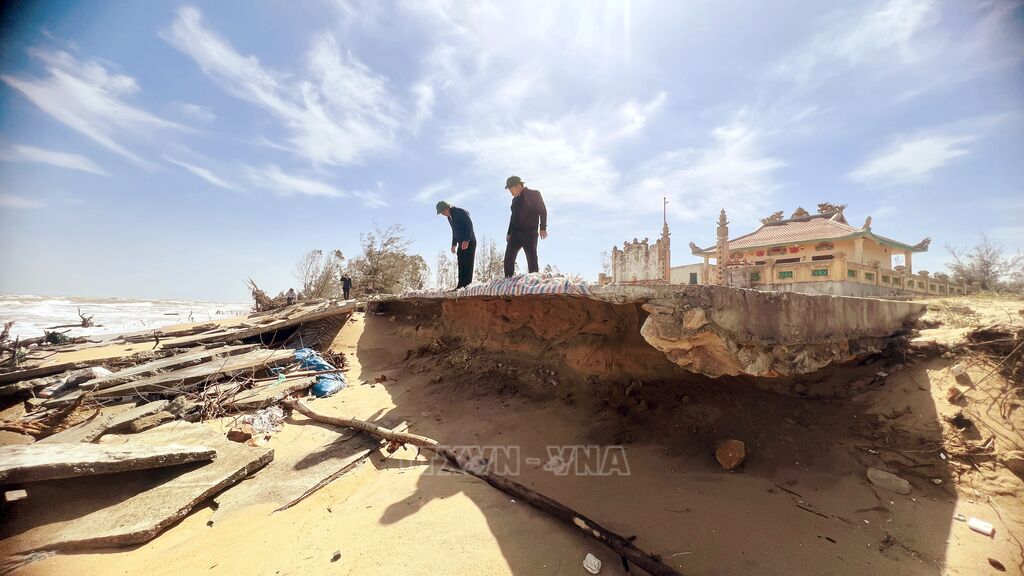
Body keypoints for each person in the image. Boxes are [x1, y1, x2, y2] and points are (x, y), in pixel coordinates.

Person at [502, 175, 547, 277]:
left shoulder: (534, 194)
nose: (510, 192)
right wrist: (509, 233)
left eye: (511, 189)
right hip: (515, 234)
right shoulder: (514, 200)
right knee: (508, 258)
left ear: (518, 186)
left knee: (531, 259)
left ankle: (534, 280)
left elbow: (542, 210)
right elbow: (513, 217)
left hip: (529, 233)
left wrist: (543, 227)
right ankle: (508, 281)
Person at [436, 200, 476, 289]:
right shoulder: (449, 217)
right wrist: (454, 244)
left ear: (447, 208)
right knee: (461, 263)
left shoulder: (460, 212)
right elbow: (454, 231)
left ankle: (467, 286)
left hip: (470, 241)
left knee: (468, 264)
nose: (442, 214)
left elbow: (469, 225)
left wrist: (466, 240)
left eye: (443, 212)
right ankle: (460, 285)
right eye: (441, 213)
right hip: (461, 243)